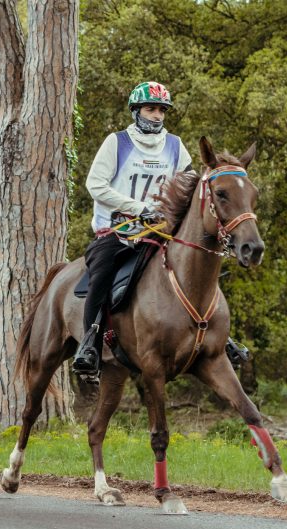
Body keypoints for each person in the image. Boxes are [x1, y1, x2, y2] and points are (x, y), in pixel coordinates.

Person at [73, 81, 250, 377]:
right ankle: (90, 341)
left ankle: (221, 337)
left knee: (198, 265)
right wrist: (139, 208)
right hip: (118, 230)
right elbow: (95, 185)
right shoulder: (116, 142)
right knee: (102, 271)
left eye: (161, 111)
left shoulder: (175, 145)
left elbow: (190, 185)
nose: (157, 115)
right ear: (136, 111)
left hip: (161, 230)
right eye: (151, 109)